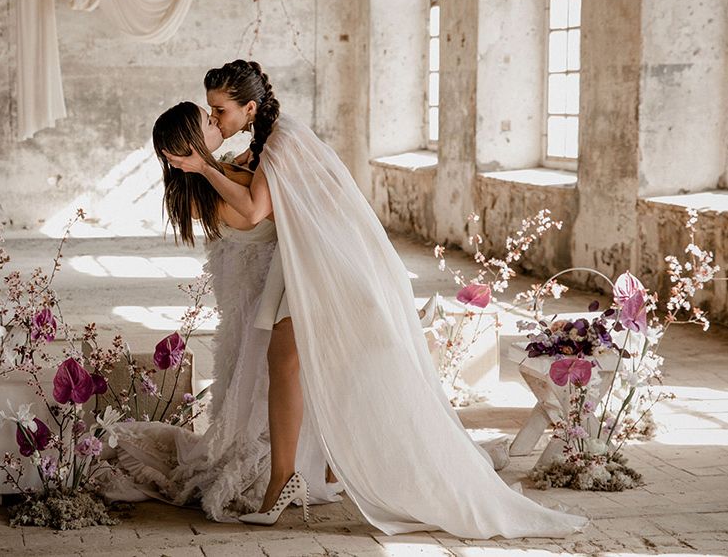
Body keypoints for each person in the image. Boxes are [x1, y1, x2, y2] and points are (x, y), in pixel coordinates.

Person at [161, 59, 588, 538]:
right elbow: (255, 197)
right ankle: (308, 472)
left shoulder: (284, 140)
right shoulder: (266, 145)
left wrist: (203, 165)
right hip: (307, 262)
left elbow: (258, 207)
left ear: (250, 108)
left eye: (219, 110)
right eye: (212, 113)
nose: (215, 120)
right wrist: (214, 167)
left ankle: (299, 476)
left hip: (334, 262)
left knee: (309, 363)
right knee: (291, 361)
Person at [104, 101, 340, 521]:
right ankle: (291, 470)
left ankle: (320, 461)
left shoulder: (228, 167)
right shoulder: (204, 193)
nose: (216, 121)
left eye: (215, 114)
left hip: (281, 292)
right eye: (208, 121)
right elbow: (253, 213)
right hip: (259, 304)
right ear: (193, 146)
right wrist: (223, 167)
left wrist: (246, 161)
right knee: (269, 388)